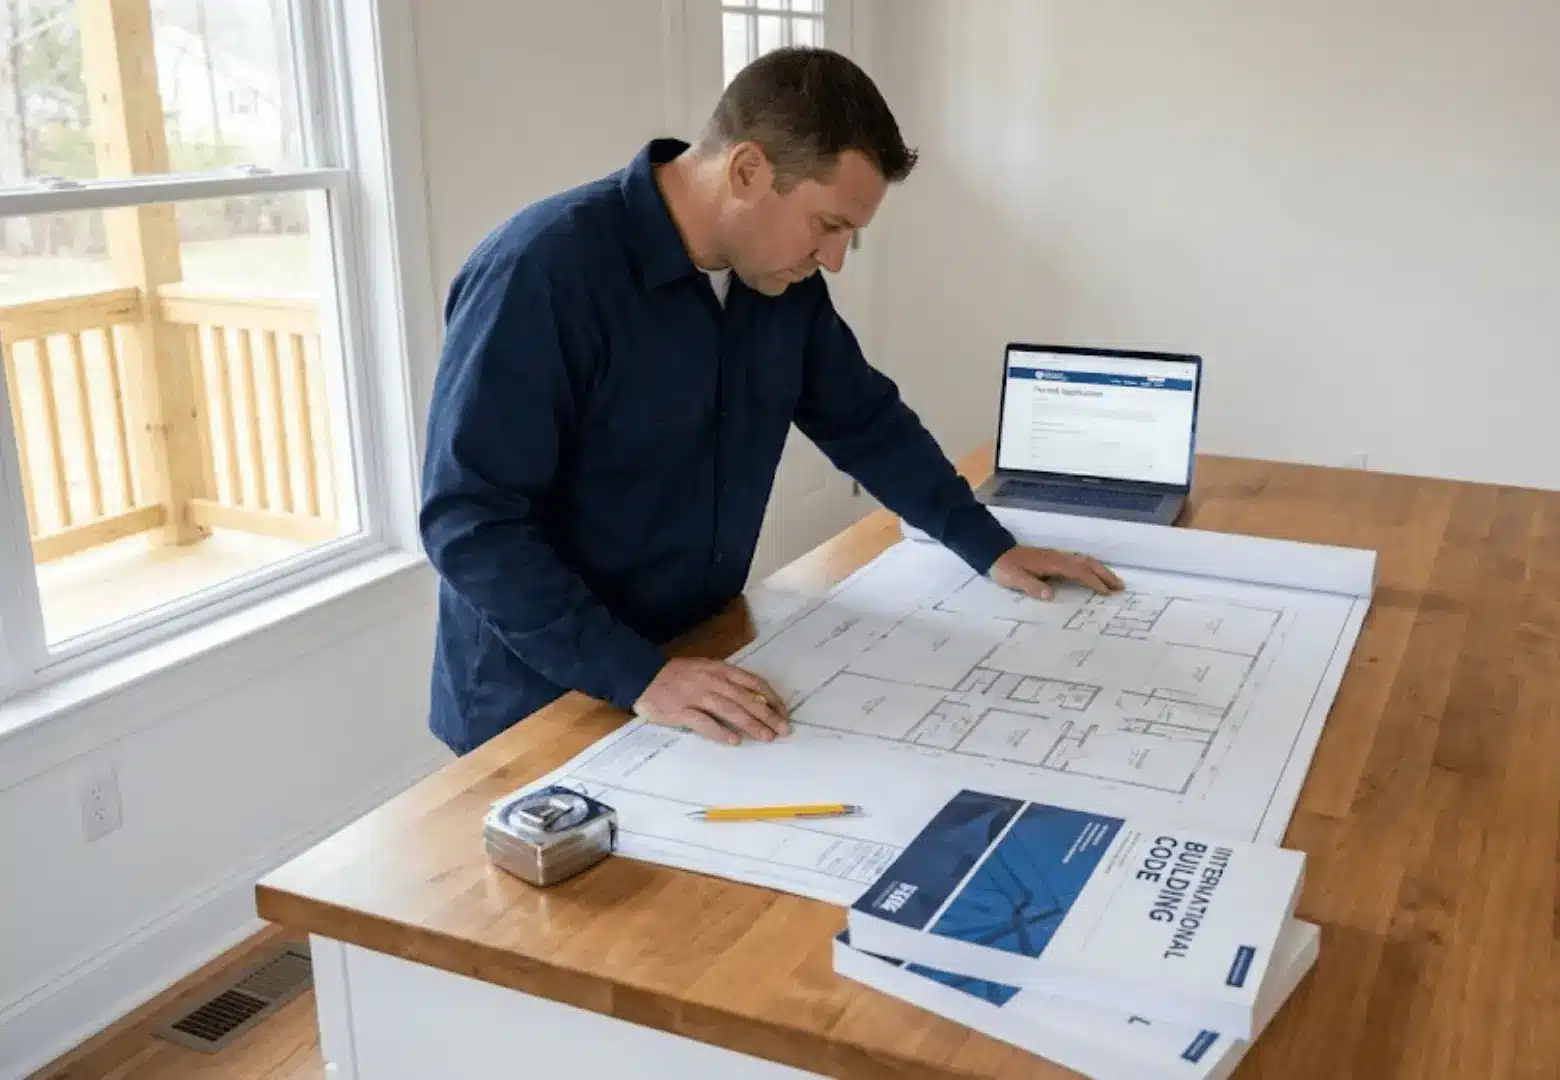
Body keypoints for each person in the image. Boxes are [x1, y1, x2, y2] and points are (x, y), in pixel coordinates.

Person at [417, 47, 1123, 756]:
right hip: (542, 701)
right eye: (829, 225)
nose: (837, 259)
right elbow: (471, 521)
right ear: (748, 170)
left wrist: (988, 545)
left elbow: (864, 421)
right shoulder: (543, 271)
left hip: (695, 662)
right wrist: (638, 675)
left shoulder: (777, 284)